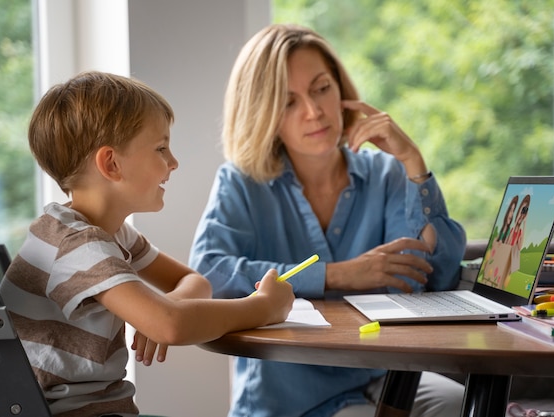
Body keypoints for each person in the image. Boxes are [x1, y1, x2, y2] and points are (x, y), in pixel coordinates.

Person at [188, 24, 467, 417]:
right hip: (290, 393)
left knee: (461, 405)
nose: (314, 111)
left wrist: (414, 164)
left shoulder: (385, 174)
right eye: (288, 102)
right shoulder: (241, 182)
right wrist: (337, 275)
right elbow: (210, 274)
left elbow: (436, 274)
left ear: (341, 91)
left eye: (321, 89)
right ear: (262, 113)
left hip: (381, 371)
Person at [0, 71, 295, 417]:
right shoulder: (77, 245)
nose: (173, 162)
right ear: (111, 164)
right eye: (161, 148)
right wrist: (264, 308)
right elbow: (171, 325)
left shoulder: (109, 232)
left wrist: (161, 309)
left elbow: (195, 283)